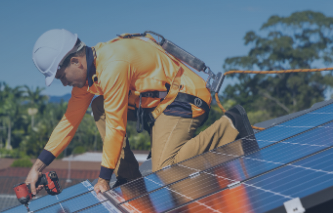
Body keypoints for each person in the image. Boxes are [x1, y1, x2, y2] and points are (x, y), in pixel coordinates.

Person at [25, 29, 255, 195]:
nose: (63, 83)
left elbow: (116, 126)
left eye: (61, 76)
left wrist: (104, 178)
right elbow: (69, 122)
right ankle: (128, 177)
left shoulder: (112, 65)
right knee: (98, 105)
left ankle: (231, 124)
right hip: (157, 106)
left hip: (184, 97)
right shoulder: (89, 78)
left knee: (166, 167)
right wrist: (37, 168)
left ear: (76, 62)